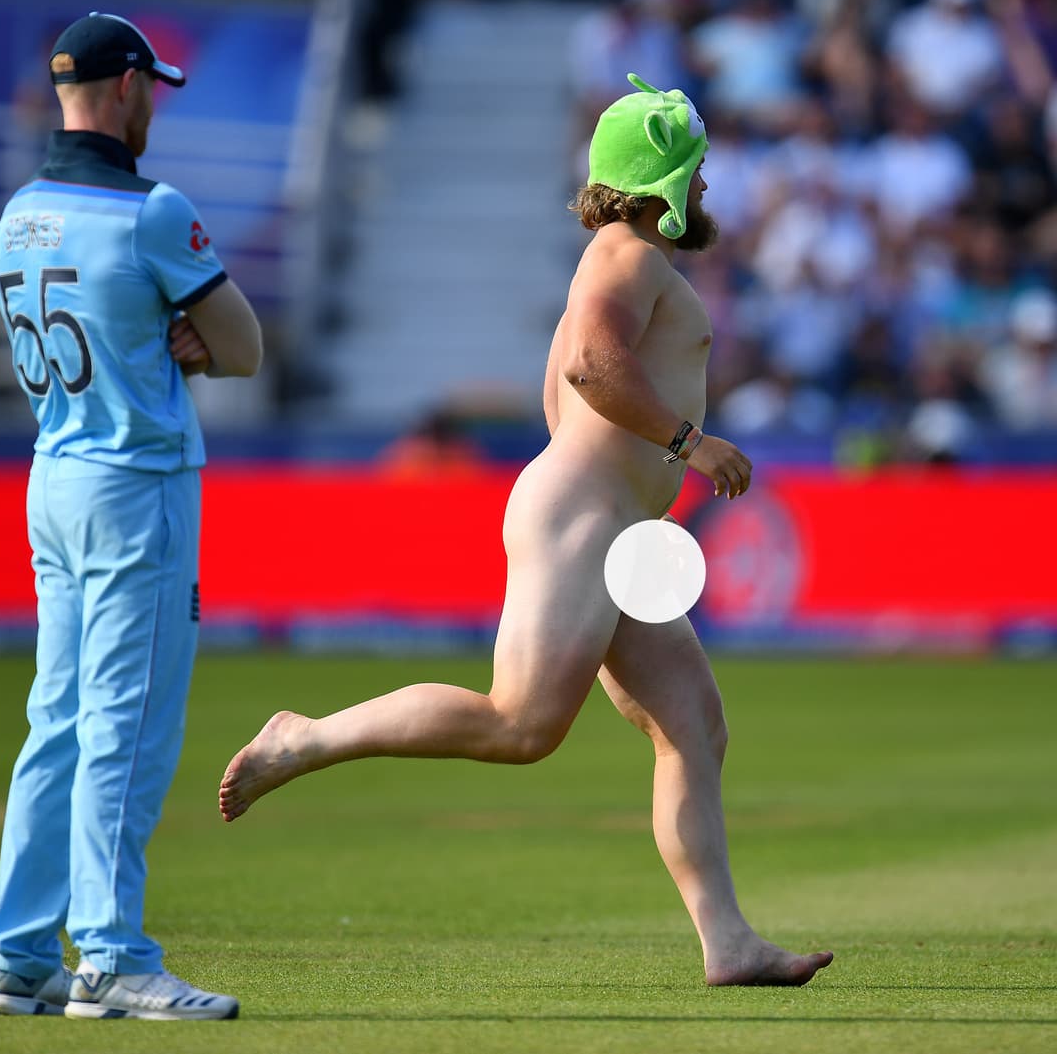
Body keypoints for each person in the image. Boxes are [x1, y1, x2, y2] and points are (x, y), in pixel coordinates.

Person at [219, 75, 834, 987]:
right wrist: (689, 445)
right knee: (520, 721)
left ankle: (728, 942)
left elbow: (561, 396)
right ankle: (303, 736)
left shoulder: (621, 260)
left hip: (612, 523)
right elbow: (588, 365)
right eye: (694, 168)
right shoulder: (628, 255)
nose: (705, 184)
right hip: (586, 518)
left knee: (694, 726)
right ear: (661, 180)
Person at [0, 12, 263, 1022]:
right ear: (128, 87)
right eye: (153, 91)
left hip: (52, 474)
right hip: (135, 483)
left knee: (55, 724)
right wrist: (186, 334)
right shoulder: (151, 211)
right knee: (126, 726)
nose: (155, 110)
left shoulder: (19, 212)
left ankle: (21, 954)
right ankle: (109, 957)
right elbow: (243, 348)